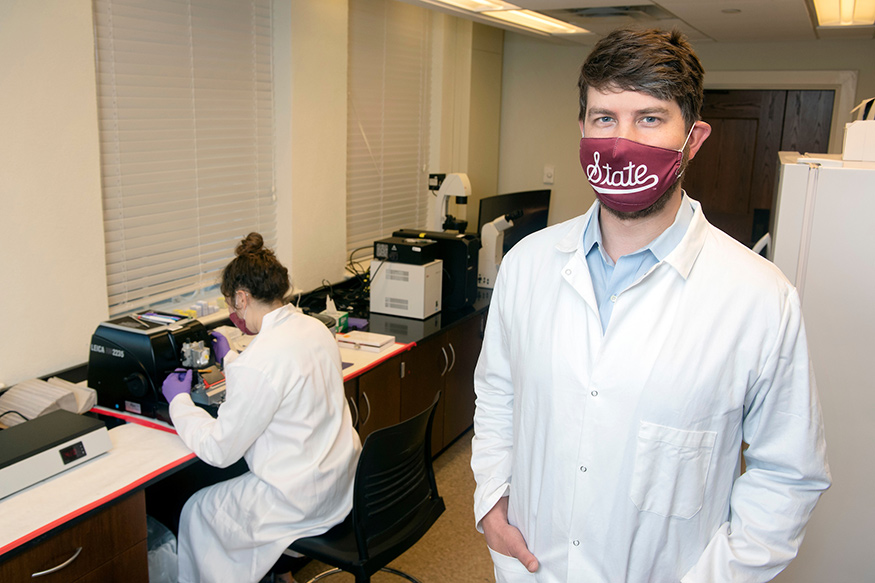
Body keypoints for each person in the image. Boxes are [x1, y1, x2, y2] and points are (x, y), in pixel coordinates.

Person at [470, 27, 830, 583]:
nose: (622, 141)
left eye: (650, 118)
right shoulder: (527, 264)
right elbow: (499, 392)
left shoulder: (760, 298)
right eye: (604, 118)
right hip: (531, 567)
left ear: (694, 139)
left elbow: (788, 474)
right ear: (582, 128)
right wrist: (491, 500)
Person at [162, 232, 361, 583]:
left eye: (230, 305)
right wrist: (233, 360)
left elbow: (219, 449)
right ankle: (283, 577)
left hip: (297, 500)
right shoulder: (315, 328)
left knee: (197, 511)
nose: (231, 314)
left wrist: (178, 401)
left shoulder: (260, 361)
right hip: (340, 482)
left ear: (242, 297)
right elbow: (280, 378)